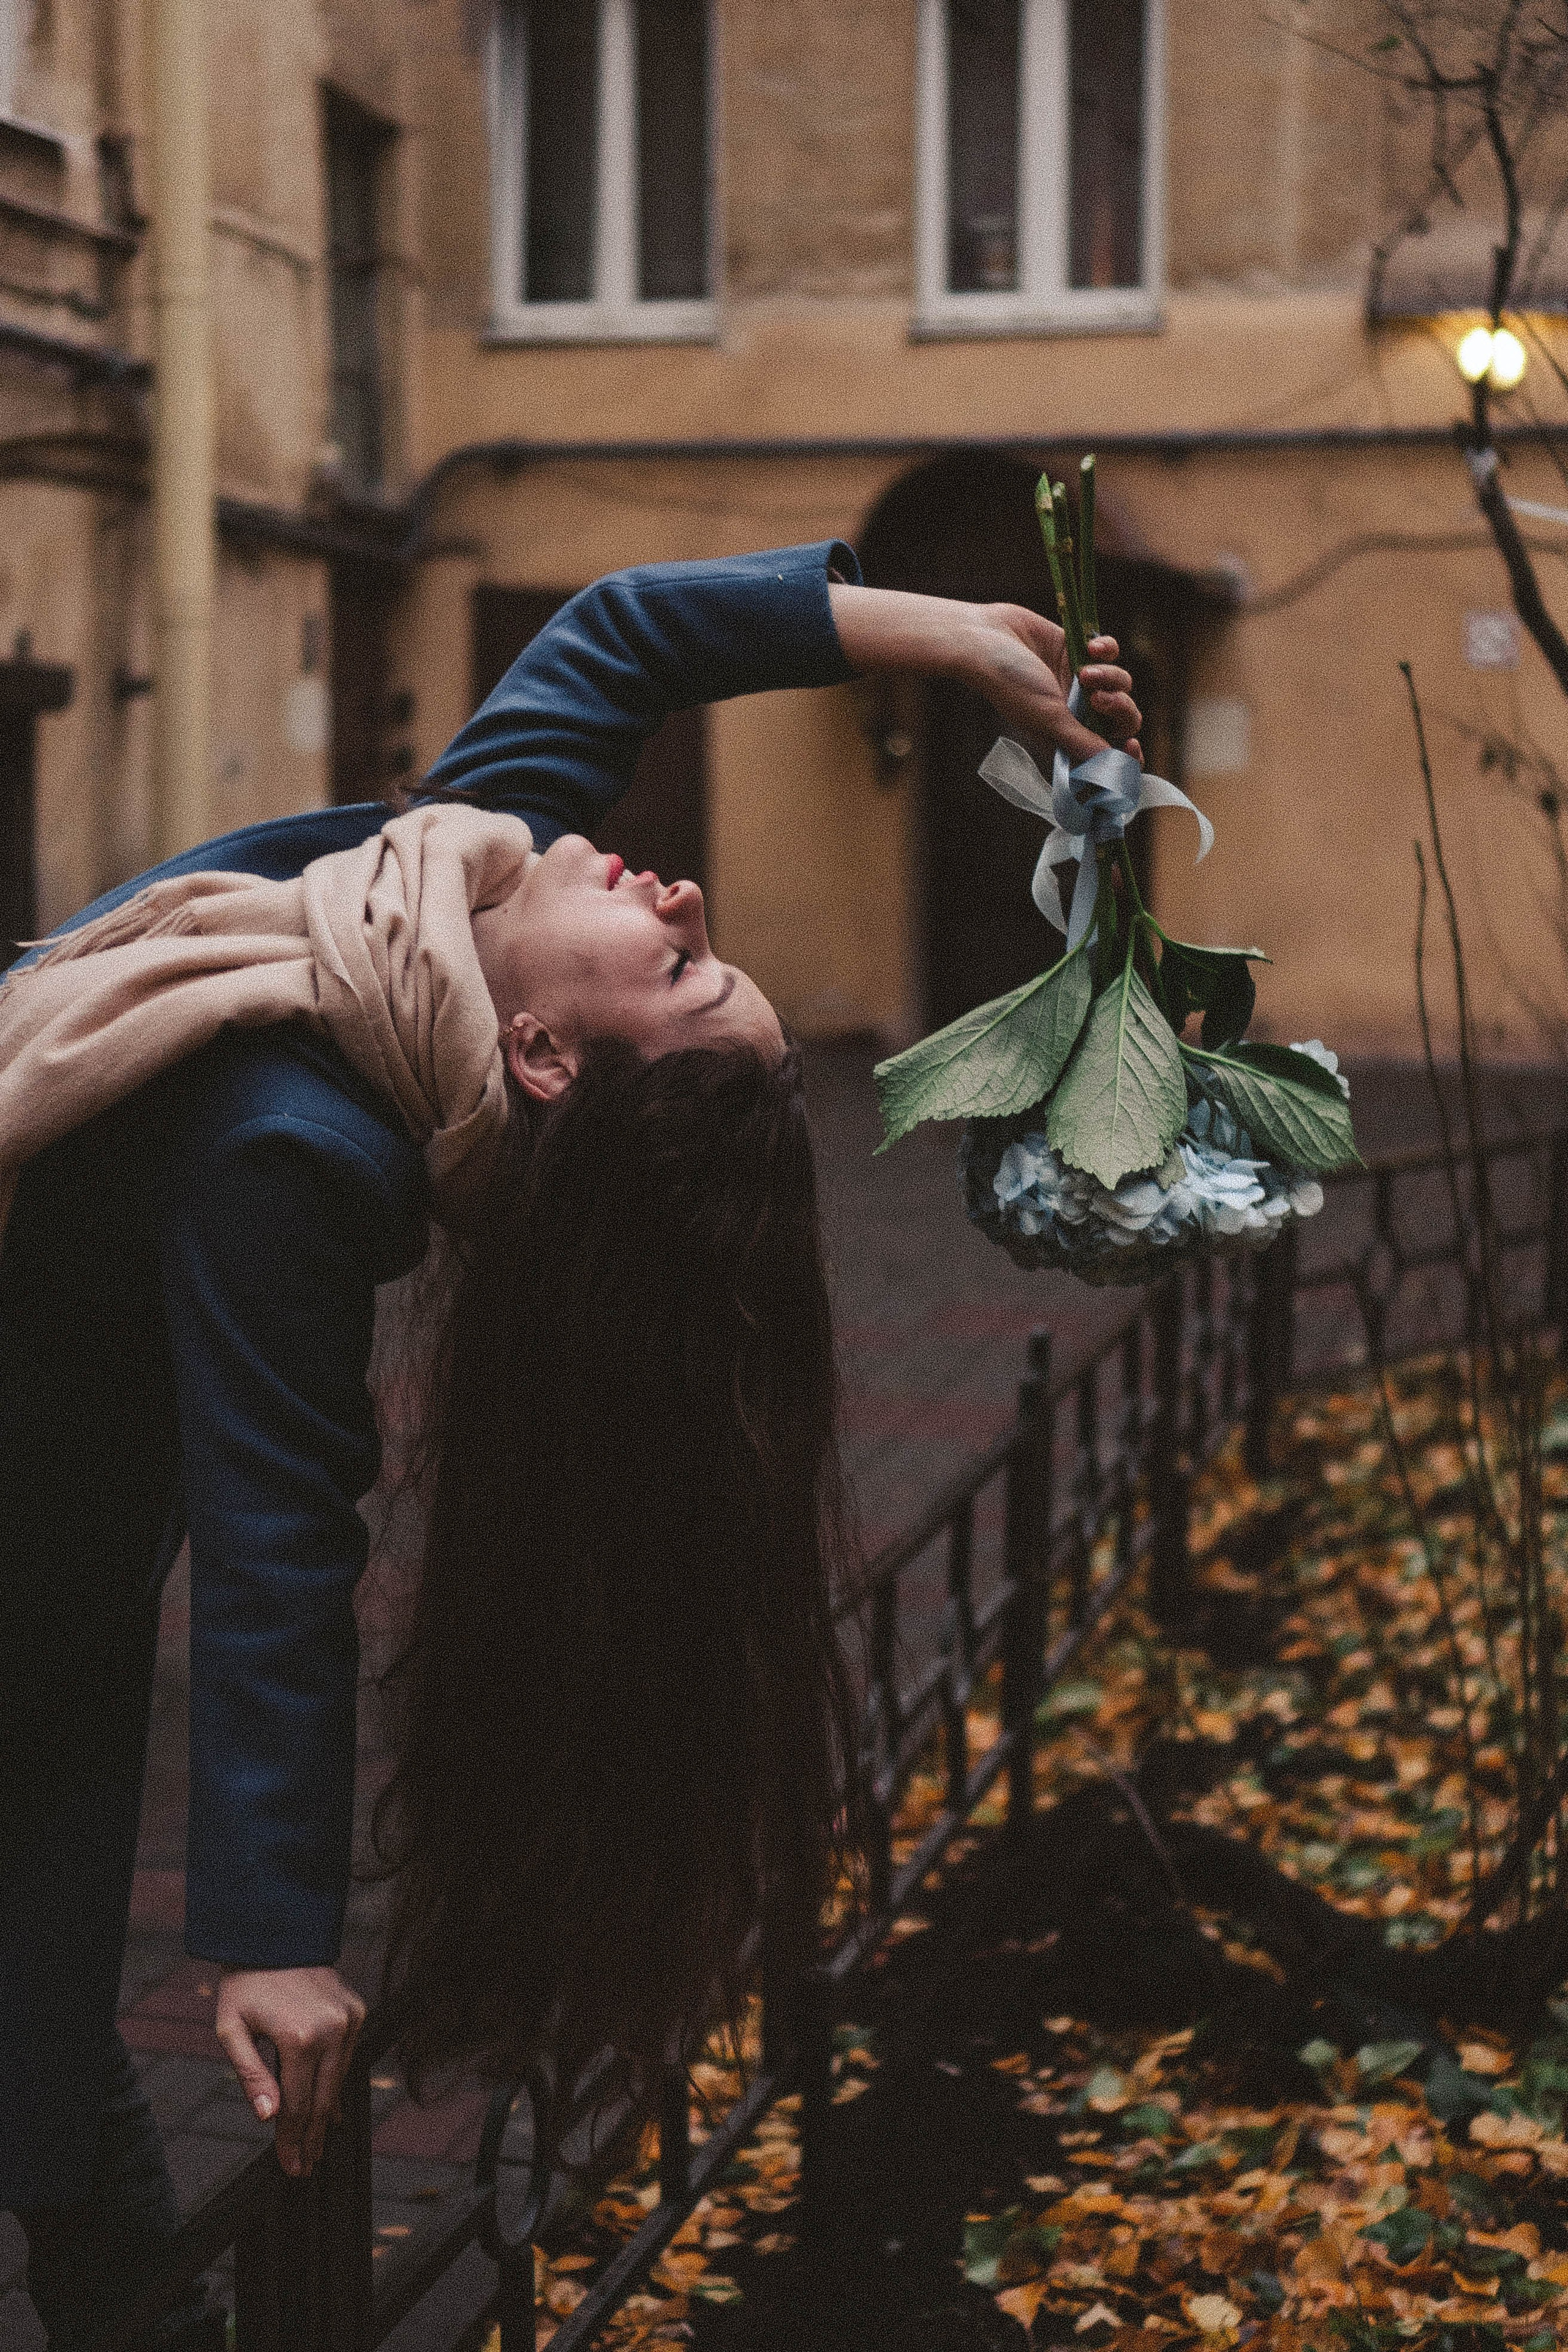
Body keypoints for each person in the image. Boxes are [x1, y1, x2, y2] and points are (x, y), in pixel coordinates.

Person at [0, 540, 1141, 2349]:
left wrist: (271, 1938)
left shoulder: (295, 1141)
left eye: (684, 974)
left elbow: (288, 1537)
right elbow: (623, 634)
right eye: (712, 949)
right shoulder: (452, 890)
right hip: (51, 1501)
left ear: (540, 1059)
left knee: (46, 2028)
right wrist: (952, 643)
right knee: (42, 2031)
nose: (685, 899)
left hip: (30, 1558)